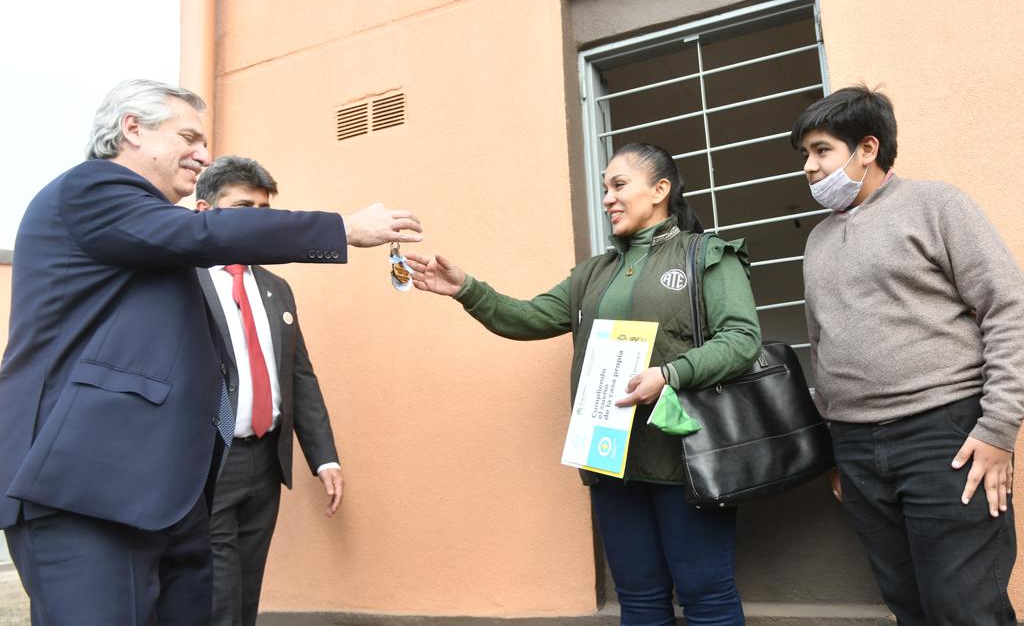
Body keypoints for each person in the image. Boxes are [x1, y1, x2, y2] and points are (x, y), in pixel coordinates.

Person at [0, 79, 421, 625]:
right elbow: (208, 233)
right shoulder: (92, 190)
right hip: (85, 488)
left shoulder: (153, 235)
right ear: (132, 129)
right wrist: (341, 228)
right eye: (189, 137)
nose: (204, 154)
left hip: (168, 496)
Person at [407, 142, 760, 626]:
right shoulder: (594, 273)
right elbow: (528, 317)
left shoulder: (707, 254)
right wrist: (467, 288)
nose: (607, 199)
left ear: (660, 190)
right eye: (603, 189)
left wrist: (670, 374)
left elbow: (742, 339)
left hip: (687, 461)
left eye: (619, 186)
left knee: (706, 596)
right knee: (637, 598)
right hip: (609, 459)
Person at [793, 85, 1024, 625]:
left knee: (964, 608)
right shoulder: (818, 241)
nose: (809, 166)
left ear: (867, 148)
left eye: (822, 150)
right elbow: (822, 344)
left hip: (944, 434)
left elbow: (1008, 309)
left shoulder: (937, 204)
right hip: (855, 446)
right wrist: (835, 450)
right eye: (805, 154)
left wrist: (998, 429)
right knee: (908, 605)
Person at [194, 155, 343, 626]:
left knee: (246, 595)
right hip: (209, 462)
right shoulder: (180, 282)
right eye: (243, 207)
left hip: (266, 461)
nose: (257, 220)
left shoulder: (276, 287)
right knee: (217, 597)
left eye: (264, 209)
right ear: (204, 211)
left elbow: (299, 375)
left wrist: (325, 459)